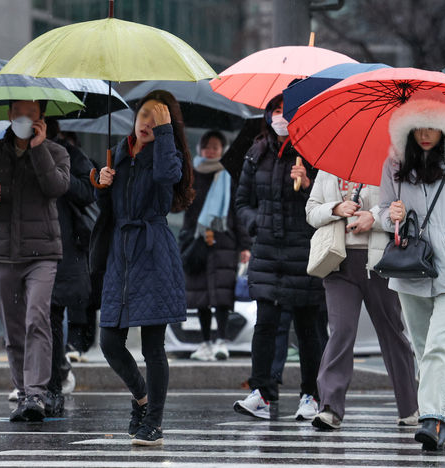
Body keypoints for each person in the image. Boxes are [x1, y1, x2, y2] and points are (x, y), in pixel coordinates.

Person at [378, 96, 445, 450]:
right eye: (418, 128)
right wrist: (389, 216)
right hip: (410, 266)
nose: (425, 134)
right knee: (425, 348)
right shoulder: (394, 164)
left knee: (440, 345)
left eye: (433, 128)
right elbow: (381, 210)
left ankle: (431, 418)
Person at [93, 90, 192, 446]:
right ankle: (142, 398)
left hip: (153, 253)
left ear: (166, 123)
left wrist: (165, 134)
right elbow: (108, 204)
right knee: (109, 341)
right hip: (121, 254)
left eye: (157, 116)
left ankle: (154, 422)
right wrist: (101, 182)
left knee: (153, 346)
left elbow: (167, 178)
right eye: (144, 115)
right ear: (134, 119)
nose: (148, 121)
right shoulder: (119, 153)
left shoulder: (168, 153)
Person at [0, 100, 70, 421]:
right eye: (18, 112)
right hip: (1, 254)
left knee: (36, 319)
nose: (24, 117)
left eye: (31, 112)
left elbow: (57, 186)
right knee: (13, 330)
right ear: (10, 115)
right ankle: (23, 391)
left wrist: (38, 148)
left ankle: (37, 394)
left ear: (41, 117)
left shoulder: (55, 152)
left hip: (43, 253)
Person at [233, 94, 325, 421]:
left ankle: (311, 395)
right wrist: (255, 222)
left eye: (287, 110)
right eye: (275, 110)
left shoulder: (315, 152)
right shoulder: (257, 154)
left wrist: (309, 182)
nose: (281, 116)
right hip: (268, 252)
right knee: (266, 326)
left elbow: (328, 199)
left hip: (304, 250)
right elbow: (242, 201)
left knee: (308, 329)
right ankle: (263, 393)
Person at [305, 171, 418, 430]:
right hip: (337, 260)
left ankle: (409, 406)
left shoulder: (388, 166)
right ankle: (330, 407)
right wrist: (336, 207)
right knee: (341, 331)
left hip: (379, 262)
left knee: (392, 332)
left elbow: (402, 208)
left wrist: (373, 217)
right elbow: (311, 211)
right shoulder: (328, 168)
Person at [38, 118, 96, 415]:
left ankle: (52, 386)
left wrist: (57, 172)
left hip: (63, 245)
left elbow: (88, 191)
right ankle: (42, 379)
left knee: (52, 313)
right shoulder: (14, 153)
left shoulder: (68, 153)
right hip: (28, 244)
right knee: (37, 318)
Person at [179, 130, 250, 362]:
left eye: (215, 147)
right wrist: (187, 238)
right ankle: (205, 342)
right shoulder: (191, 175)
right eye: (207, 146)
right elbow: (187, 213)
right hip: (198, 242)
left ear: (223, 150)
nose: (210, 150)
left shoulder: (228, 175)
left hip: (224, 243)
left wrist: (244, 245)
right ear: (200, 149)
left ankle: (221, 341)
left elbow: (236, 213)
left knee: (221, 296)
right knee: (200, 297)